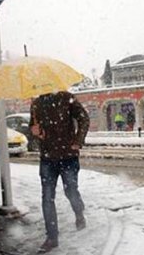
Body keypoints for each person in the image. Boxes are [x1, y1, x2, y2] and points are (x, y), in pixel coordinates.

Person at [30, 91, 90, 253]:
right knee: (47, 197)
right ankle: (52, 237)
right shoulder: (36, 103)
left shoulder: (66, 98)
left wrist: (78, 141)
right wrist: (35, 132)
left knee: (70, 189)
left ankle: (79, 213)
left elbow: (84, 118)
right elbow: (34, 130)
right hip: (47, 157)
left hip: (68, 155)